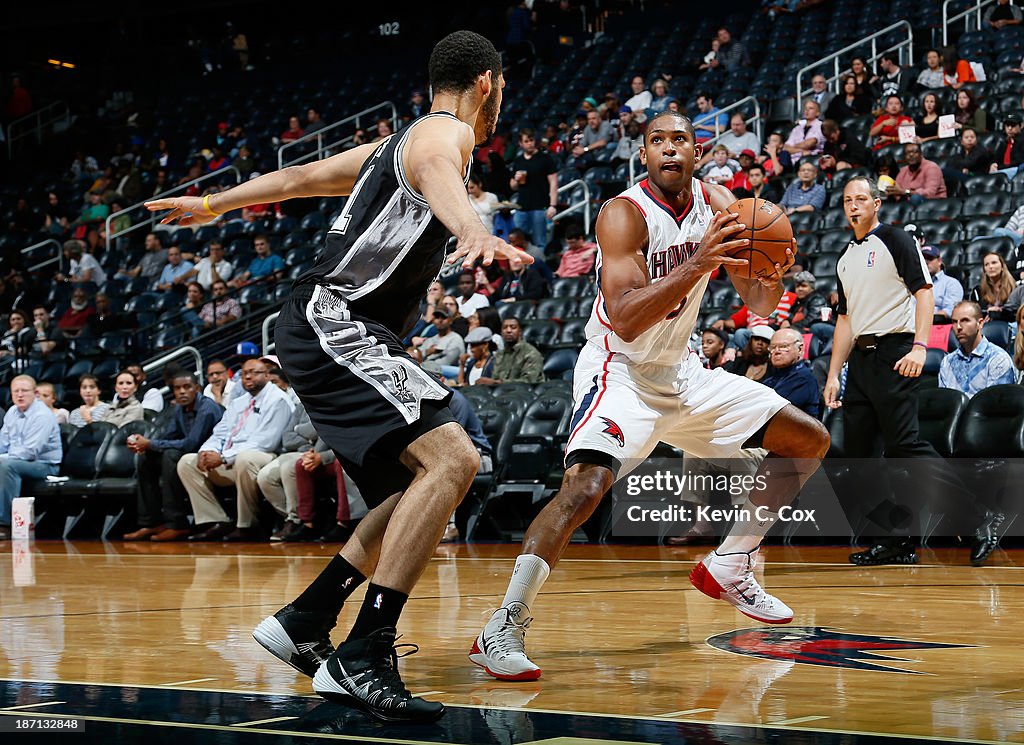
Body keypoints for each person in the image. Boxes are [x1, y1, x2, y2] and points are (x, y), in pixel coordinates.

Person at [147, 30, 531, 722]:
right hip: (337, 322)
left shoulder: (395, 143)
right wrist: (470, 227)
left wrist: (209, 206)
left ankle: (305, 617)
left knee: (416, 486)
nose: (501, 96)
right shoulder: (443, 137)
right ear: (486, 83)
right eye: (501, 87)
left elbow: (295, 180)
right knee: (455, 457)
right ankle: (365, 650)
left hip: (327, 325)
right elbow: (445, 170)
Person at [468, 110, 830, 682]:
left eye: (679, 140)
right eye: (656, 141)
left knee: (806, 440)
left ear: (696, 152)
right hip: (622, 372)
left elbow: (759, 306)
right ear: (643, 154)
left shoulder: (719, 205)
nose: (668, 149)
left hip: (684, 373)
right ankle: (501, 629)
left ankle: (732, 562)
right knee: (584, 489)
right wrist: (701, 261)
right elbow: (627, 319)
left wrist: (771, 272)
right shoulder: (622, 215)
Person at [823, 177, 998, 566]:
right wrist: (834, 374)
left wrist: (921, 346)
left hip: (897, 351)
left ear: (877, 204)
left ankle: (979, 518)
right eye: (848, 200)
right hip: (862, 362)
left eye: (861, 199)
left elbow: (924, 293)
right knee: (856, 458)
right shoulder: (845, 257)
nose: (854, 206)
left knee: (906, 446)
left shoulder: (897, 240)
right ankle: (895, 540)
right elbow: (846, 320)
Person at [177, 356, 293, 542]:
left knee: (246, 458)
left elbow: (265, 442)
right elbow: (219, 432)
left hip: (266, 457)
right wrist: (207, 451)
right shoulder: (239, 402)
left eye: (254, 373)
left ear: (266, 375)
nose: (248, 377)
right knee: (187, 462)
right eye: (245, 373)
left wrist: (223, 458)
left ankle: (248, 525)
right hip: (231, 457)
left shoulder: (278, 399)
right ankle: (216, 521)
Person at [123, 370, 223, 542]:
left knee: (170, 456)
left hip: (211, 456)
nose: (182, 392)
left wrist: (151, 444)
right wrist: (144, 444)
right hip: (189, 455)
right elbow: (169, 436)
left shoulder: (207, 408)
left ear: (197, 388)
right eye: (177, 388)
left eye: (186, 387)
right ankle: (151, 522)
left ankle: (177, 524)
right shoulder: (179, 408)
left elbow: (192, 443)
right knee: (146, 457)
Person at [0, 375, 62, 539]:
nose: (20, 395)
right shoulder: (12, 412)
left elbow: (30, 452)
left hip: (45, 466)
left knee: (7, 466)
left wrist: (3, 458)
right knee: (6, 464)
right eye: (16, 391)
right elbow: (2, 443)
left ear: (35, 393)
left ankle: (5, 524)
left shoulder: (42, 415)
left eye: (24, 391)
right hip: (17, 461)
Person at [939, 301, 1016, 397]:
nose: (958, 327)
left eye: (965, 320)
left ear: (980, 323)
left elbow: (998, 406)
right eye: (954, 322)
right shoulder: (947, 362)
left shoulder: (998, 360)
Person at [510, 127, 559, 249]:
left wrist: (553, 205)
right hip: (522, 207)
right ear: (521, 143)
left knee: (539, 242)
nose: (530, 143)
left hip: (540, 207)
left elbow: (554, 182)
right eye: (526, 141)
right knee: (518, 241)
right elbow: (512, 186)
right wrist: (516, 179)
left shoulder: (545, 158)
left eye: (531, 140)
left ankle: (539, 267)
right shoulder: (518, 161)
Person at [761, 328, 820, 418]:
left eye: (784, 346)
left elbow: (769, 409)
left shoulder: (804, 379)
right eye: (773, 347)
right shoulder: (771, 379)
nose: (777, 351)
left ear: (800, 349)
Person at [490, 317, 544, 384]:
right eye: (505, 328)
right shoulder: (500, 354)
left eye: (513, 327)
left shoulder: (531, 353)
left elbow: (529, 382)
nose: (508, 330)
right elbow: (494, 377)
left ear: (520, 332)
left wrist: (498, 383)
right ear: (501, 332)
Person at [968, 251, 1017, 321]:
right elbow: (974, 313)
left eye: (994, 263)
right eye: (986, 264)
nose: (990, 267)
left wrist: (1001, 312)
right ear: (984, 270)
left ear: (1002, 266)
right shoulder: (978, 291)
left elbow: (1017, 313)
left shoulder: (1015, 288)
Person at [920, 245, 964, 321]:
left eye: (930, 258)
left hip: (939, 326)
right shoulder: (915, 284)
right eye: (923, 259)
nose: (926, 262)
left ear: (939, 261)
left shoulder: (951, 283)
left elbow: (950, 311)